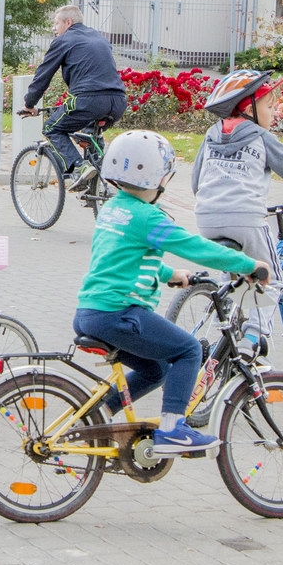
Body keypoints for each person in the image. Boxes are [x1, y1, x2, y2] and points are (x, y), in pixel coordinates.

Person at [75, 130, 269, 453]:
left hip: (89, 314)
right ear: (157, 179)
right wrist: (248, 264)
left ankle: (101, 413)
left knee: (158, 368)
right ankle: (173, 429)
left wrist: (169, 275)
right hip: (120, 314)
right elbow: (196, 247)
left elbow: (119, 259)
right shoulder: (148, 217)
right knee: (189, 350)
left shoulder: (112, 210)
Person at [190, 69, 283, 360]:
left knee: (229, 271)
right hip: (246, 218)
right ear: (249, 108)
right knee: (271, 276)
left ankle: (226, 313)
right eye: (270, 106)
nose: (274, 113)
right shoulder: (260, 136)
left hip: (206, 217)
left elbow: (196, 180)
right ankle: (253, 337)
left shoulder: (211, 134)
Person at [19, 5, 127, 193]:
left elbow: (43, 75)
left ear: (68, 22)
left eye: (56, 23)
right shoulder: (99, 37)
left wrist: (29, 104)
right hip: (117, 100)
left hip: (88, 99)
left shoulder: (64, 40)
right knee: (90, 134)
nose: (54, 28)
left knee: (51, 128)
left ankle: (79, 166)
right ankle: (95, 187)